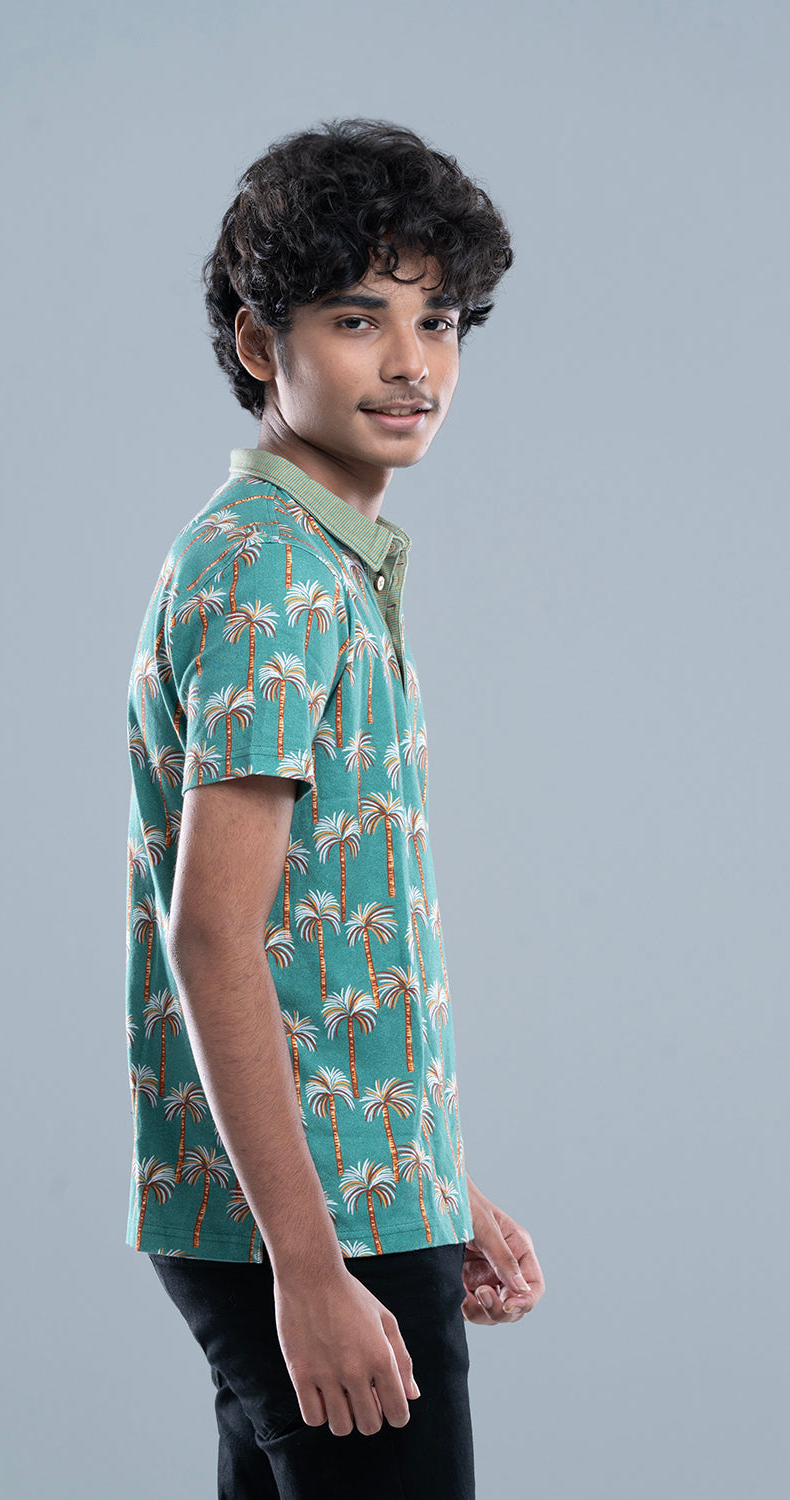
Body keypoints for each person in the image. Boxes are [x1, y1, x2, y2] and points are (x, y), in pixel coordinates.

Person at [124, 118, 544, 1499]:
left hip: (350, 1197)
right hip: (304, 1229)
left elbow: (321, 930)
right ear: (262, 345)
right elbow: (212, 935)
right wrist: (310, 1271)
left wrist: (428, 1178)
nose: (412, 362)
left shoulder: (318, 557)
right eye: (359, 319)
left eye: (439, 320)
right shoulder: (268, 571)